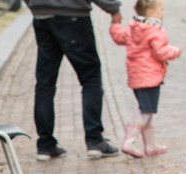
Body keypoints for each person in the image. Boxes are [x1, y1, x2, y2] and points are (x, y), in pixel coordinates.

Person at [25, 0, 122, 160]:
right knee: (90, 78)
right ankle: (94, 140)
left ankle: (45, 145)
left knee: (45, 83)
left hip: (42, 16)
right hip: (73, 16)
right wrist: (113, 8)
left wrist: (37, 5)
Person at [110, 0, 181, 157]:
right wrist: (175, 51)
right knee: (146, 112)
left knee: (147, 110)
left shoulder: (132, 28)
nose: (163, 12)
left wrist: (115, 24)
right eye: (161, 9)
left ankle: (150, 145)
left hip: (136, 77)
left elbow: (118, 37)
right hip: (150, 77)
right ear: (150, 12)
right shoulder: (155, 30)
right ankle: (129, 142)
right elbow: (160, 52)